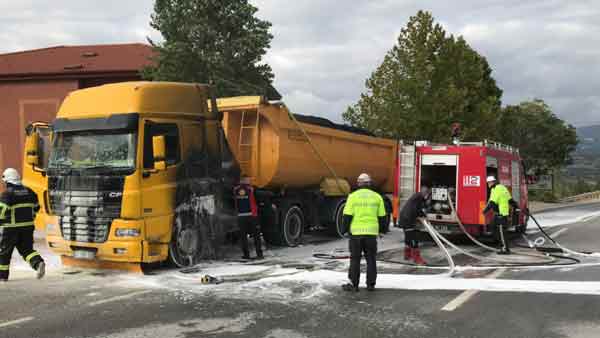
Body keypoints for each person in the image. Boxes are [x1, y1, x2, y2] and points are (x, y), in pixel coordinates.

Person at [341, 173, 387, 292]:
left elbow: (347, 216)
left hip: (356, 234)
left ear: (359, 183)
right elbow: (382, 216)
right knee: (371, 259)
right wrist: (382, 231)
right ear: (369, 183)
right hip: (371, 234)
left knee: (355, 259)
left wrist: (344, 230)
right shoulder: (377, 197)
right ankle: (370, 284)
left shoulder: (353, 196)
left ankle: (354, 284)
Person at [0, 168, 45, 281]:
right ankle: (38, 263)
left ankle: (2, 276)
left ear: (7, 180)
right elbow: (36, 207)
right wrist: (31, 217)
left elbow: (2, 210)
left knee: (5, 252)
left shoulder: (7, 194)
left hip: (11, 228)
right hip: (28, 227)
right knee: (27, 250)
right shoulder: (30, 191)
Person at [483, 176, 517, 254]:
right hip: (502, 214)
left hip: (501, 215)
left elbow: (492, 202)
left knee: (501, 232)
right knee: (493, 227)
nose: (488, 184)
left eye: (488, 183)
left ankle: (505, 249)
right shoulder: (503, 187)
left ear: (491, 182)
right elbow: (510, 200)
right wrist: (516, 206)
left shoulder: (495, 189)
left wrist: (484, 211)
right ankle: (502, 245)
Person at [397, 186, 431, 265]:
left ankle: (407, 255)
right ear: (425, 193)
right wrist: (423, 216)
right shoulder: (418, 198)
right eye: (427, 195)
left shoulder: (416, 197)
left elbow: (416, 208)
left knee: (408, 237)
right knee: (414, 238)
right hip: (408, 220)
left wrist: (423, 215)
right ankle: (417, 259)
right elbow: (416, 209)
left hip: (404, 218)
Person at [234, 177, 263, 260]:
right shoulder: (252, 189)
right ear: (244, 180)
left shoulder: (235, 189)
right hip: (252, 215)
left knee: (243, 237)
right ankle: (259, 254)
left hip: (241, 216)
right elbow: (258, 199)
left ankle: (246, 255)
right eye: (248, 179)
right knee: (256, 236)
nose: (249, 181)